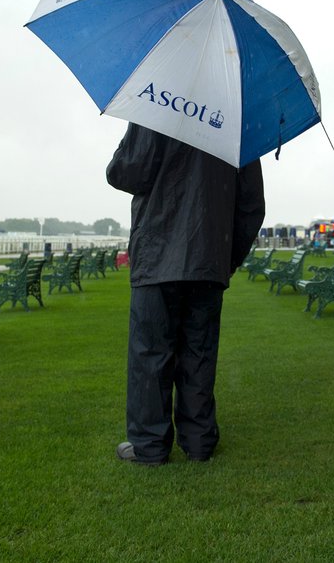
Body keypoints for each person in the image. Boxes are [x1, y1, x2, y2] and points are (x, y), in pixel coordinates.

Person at [106, 123, 265, 466]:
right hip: (208, 258)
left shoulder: (155, 109)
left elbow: (125, 173)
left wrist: (125, 146)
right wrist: (227, 259)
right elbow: (252, 207)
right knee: (200, 351)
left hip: (157, 256)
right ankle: (198, 441)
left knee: (150, 354)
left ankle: (149, 445)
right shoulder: (238, 124)